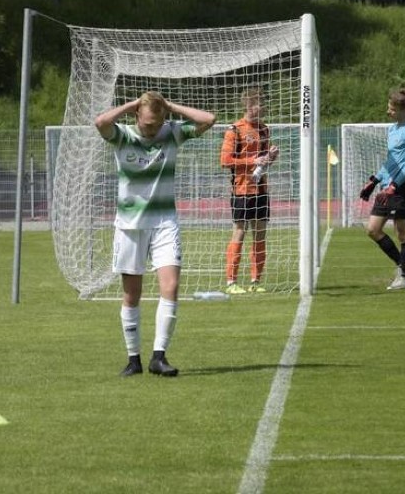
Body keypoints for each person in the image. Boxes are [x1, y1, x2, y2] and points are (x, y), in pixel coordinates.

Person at [94, 91, 216, 377]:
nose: (151, 130)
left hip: (164, 222)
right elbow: (100, 122)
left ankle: (158, 357)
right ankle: (133, 358)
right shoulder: (122, 135)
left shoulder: (171, 133)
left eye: (156, 124)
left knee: (170, 287)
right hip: (129, 225)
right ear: (137, 116)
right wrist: (132, 105)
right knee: (132, 294)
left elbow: (209, 119)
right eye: (146, 123)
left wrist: (169, 106)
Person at [359, 88, 405, 290]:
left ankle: (404, 278)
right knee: (372, 229)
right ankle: (402, 265)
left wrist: (394, 185)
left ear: (403, 109)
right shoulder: (392, 129)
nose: (388, 111)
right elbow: (390, 161)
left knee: (402, 234)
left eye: (391, 108)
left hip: (401, 188)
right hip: (387, 186)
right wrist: (375, 180)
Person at [219, 88, 280, 295]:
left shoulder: (264, 129)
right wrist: (252, 160)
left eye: (264, 104)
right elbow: (225, 161)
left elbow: (263, 163)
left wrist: (270, 157)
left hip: (261, 188)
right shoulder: (234, 130)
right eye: (260, 104)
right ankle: (231, 281)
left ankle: (256, 281)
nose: (263, 108)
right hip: (242, 189)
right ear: (250, 105)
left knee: (260, 235)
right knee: (240, 232)